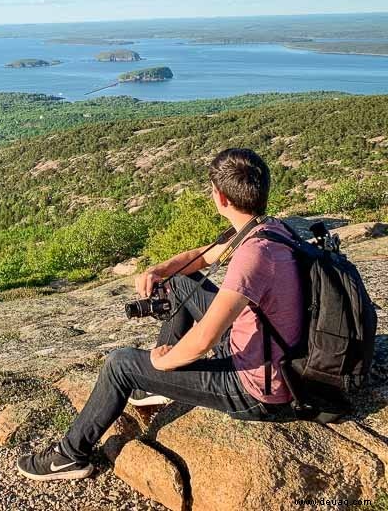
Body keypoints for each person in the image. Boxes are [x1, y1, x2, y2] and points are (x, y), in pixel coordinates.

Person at [17, 148, 303, 481]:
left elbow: (204, 339)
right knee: (182, 281)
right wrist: (160, 270)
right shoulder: (267, 229)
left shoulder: (253, 257)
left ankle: (69, 455)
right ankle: (150, 388)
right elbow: (201, 257)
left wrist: (163, 362)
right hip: (269, 353)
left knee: (121, 363)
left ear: (221, 198)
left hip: (254, 389)